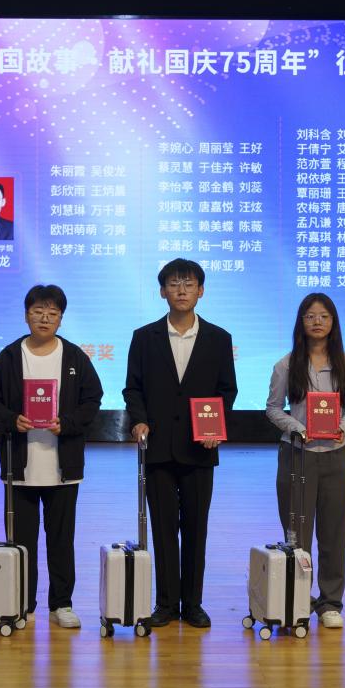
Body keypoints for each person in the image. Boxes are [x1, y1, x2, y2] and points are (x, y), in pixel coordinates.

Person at [0, 284, 103, 628]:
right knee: (21, 541)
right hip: (20, 467)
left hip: (63, 468)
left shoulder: (74, 357)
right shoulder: (9, 356)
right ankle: (23, 603)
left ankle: (61, 604)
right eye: (38, 311)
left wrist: (68, 423)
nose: (44, 318)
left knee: (61, 540)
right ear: (26, 315)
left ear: (61, 318)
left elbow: (93, 400)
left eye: (52, 313)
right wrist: (10, 420)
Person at [123, 258, 237, 628]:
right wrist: (139, 420)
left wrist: (216, 427)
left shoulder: (219, 338)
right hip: (157, 447)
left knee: (196, 528)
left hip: (200, 448)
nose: (181, 290)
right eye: (174, 284)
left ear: (201, 291)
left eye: (189, 284)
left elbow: (226, 390)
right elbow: (133, 388)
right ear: (162, 291)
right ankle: (166, 603)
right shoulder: (144, 337)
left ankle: (193, 603)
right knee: (163, 528)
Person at [264, 293, 345, 630]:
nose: (317, 322)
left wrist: (342, 427)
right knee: (297, 533)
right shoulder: (286, 365)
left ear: (333, 322)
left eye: (324, 316)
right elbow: (273, 408)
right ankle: (298, 599)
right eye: (310, 316)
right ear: (300, 322)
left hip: (336, 455)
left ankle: (330, 602)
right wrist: (298, 428)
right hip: (297, 455)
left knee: (334, 533)